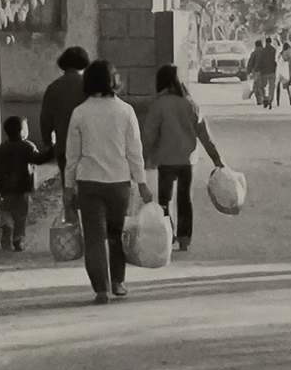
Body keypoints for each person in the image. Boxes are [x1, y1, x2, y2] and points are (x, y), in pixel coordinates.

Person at [62, 58, 152, 303]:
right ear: (115, 81)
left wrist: (68, 187)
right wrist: (141, 182)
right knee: (116, 234)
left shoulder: (79, 113)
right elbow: (135, 151)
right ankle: (118, 283)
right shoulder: (126, 111)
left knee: (93, 238)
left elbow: (72, 155)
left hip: (89, 182)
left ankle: (101, 289)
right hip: (119, 183)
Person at [142, 63, 224, 254]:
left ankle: (167, 235)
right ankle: (185, 239)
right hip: (187, 160)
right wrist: (216, 159)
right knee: (185, 199)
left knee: (165, 199)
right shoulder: (190, 103)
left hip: (166, 160)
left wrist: (143, 158)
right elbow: (204, 134)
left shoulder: (158, 105)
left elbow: (149, 135)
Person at [38, 45, 91, 222]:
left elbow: (46, 118)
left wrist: (47, 141)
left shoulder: (53, 87)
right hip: (87, 145)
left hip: (64, 146)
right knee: (87, 186)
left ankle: (72, 224)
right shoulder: (88, 87)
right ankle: (89, 223)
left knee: (68, 186)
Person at [0, 115, 45, 251]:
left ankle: (7, 225)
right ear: (21, 131)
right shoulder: (28, 147)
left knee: (5, 211)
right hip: (22, 188)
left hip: (5, 189)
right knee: (21, 215)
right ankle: (18, 237)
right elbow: (38, 159)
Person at [247, 38, 274, 108]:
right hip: (267, 70)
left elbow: (251, 62)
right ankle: (268, 99)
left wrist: (249, 71)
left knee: (258, 86)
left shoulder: (254, 52)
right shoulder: (266, 51)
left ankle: (260, 99)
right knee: (266, 85)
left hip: (258, 71)